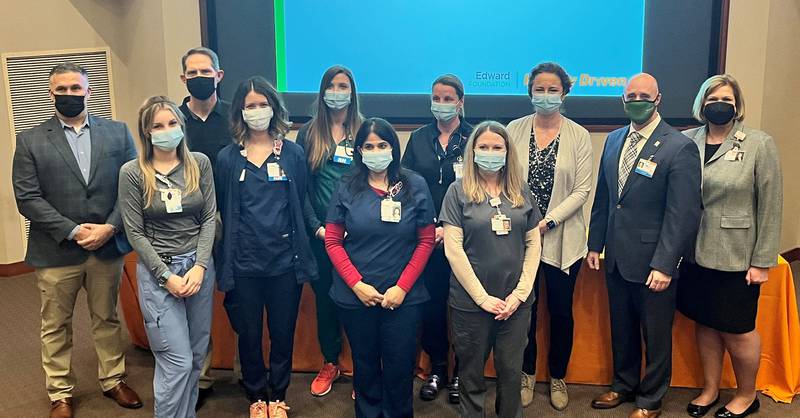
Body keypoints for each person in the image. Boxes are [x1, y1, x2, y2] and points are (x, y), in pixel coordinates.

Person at [12, 62, 142, 418]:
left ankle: (113, 379)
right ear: (51, 93)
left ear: (88, 91)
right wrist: (73, 230)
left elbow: (130, 188)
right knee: (56, 324)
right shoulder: (31, 140)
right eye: (62, 89)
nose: (69, 94)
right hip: (56, 249)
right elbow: (27, 198)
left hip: (107, 246)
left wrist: (110, 228)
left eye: (75, 88)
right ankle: (60, 393)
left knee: (107, 318)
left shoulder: (117, 133)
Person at [586, 73, 702, 418]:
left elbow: (683, 213)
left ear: (658, 99)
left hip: (654, 262)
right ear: (623, 100)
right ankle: (623, 385)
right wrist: (595, 244)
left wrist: (666, 263)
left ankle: (650, 399)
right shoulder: (613, 139)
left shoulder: (679, 145)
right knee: (621, 327)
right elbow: (605, 198)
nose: (637, 100)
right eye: (630, 95)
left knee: (655, 333)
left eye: (644, 95)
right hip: (616, 257)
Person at [678, 74, 782, 418]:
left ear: (737, 105)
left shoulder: (757, 143)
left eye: (726, 98)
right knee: (705, 324)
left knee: (737, 330)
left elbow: (770, 204)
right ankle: (710, 389)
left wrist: (762, 260)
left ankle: (746, 395)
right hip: (694, 253)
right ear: (701, 105)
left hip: (738, 256)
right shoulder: (685, 140)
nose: (719, 105)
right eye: (711, 99)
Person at [214, 76, 317, 418]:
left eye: (263, 104)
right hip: (244, 263)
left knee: (282, 332)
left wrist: (318, 233)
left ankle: (279, 394)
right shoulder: (228, 159)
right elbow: (224, 210)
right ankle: (256, 395)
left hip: (285, 263)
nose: (257, 111)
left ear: (274, 108)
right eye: (250, 106)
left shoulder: (293, 154)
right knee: (249, 334)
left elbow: (300, 203)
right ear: (240, 112)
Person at [325, 118, 436, 418]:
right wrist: (357, 285)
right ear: (359, 151)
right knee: (365, 367)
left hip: (403, 299)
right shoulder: (347, 185)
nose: (376, 152)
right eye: (369, 146)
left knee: (400, 369)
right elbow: (333, 241)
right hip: (356, 297)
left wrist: (402, 288)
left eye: (382, 145)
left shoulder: (414, 185)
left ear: (393, 148)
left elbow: (426, 241)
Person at [118, 96, 216, 418]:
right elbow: (135, 233)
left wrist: (200, 266)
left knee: (196, 357)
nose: (166, 130)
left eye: (172, 123)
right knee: (177, 361)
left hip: (198, 269)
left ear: (182, 126)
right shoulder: (133, 172)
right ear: (146, 132)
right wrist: (166, 277)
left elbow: (208, 217)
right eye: (157, 126)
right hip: (160, 273)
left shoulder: (199, 163)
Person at [440, 120, 542, 418]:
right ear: (472, 152)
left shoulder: (521, 191)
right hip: (470, 304)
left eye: (497, 147)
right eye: (483, 147)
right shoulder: (457, 192)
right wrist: (482, 298)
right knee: (471, 375)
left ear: (508, 152)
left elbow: (533, 244)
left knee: (511, 374)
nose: (490, 153)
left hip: (516, 304)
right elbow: (453, 249)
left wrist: (520, 294)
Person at [506, 62, 593, 411]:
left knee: (561, 312)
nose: (545, 96)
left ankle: (558, 375)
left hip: (562, 240)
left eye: (552, 90)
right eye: (539, 90)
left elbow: (583, 190)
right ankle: (526, 372)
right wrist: (523, 221)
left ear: (565, 92)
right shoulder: (513, 129)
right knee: (525, 310)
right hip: (517, 239)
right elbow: (504, 175)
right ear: (530, 92)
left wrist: (547, 222)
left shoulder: (579, 135)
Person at [401, 73, 473, 404]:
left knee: (462, 307)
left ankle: (461, 373)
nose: (441, 104)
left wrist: (451, 225)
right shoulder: (418, 138)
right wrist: (430, 226)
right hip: (427, 239)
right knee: (431, 305)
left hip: (466, 239)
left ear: (460, 101)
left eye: (448, 98)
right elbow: (405, 186)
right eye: (436, 98)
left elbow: (481, 189)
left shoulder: (475, 138)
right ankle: (438, 368)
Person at [294, 65, 363, 397]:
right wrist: (316, 228)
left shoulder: (364, 130)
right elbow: (301, 189)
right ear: (322, 92)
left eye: (343, 86)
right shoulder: (308, 134)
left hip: (359, 237)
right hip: (321, 236)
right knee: (325, 300)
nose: (337, 91)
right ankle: (330, 361)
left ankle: (363, 366)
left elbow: (374, 183)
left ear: (352, 92)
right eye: (332, 86)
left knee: (360, 299)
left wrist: (361, 228)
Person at [177, 45, 231, 409]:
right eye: (192, 73)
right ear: (183, 78)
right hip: (185, 224)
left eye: (205, 71)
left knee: (237, 300)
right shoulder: (172, 121)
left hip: (232, 220)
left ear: (219, 75)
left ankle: (248, 373)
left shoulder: (235, 117)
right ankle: (198, 377)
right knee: (189, 303)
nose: (199, 78)